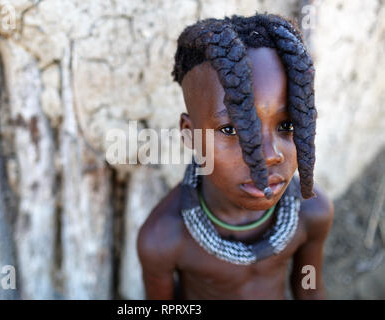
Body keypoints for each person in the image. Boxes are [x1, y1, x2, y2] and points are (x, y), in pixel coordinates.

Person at [137, 13, 334, 299]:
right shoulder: (164, 239)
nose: (269, 155)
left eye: (287, 125)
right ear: (190, 134)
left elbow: (310, 289)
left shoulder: (312, 215)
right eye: (231, 129)